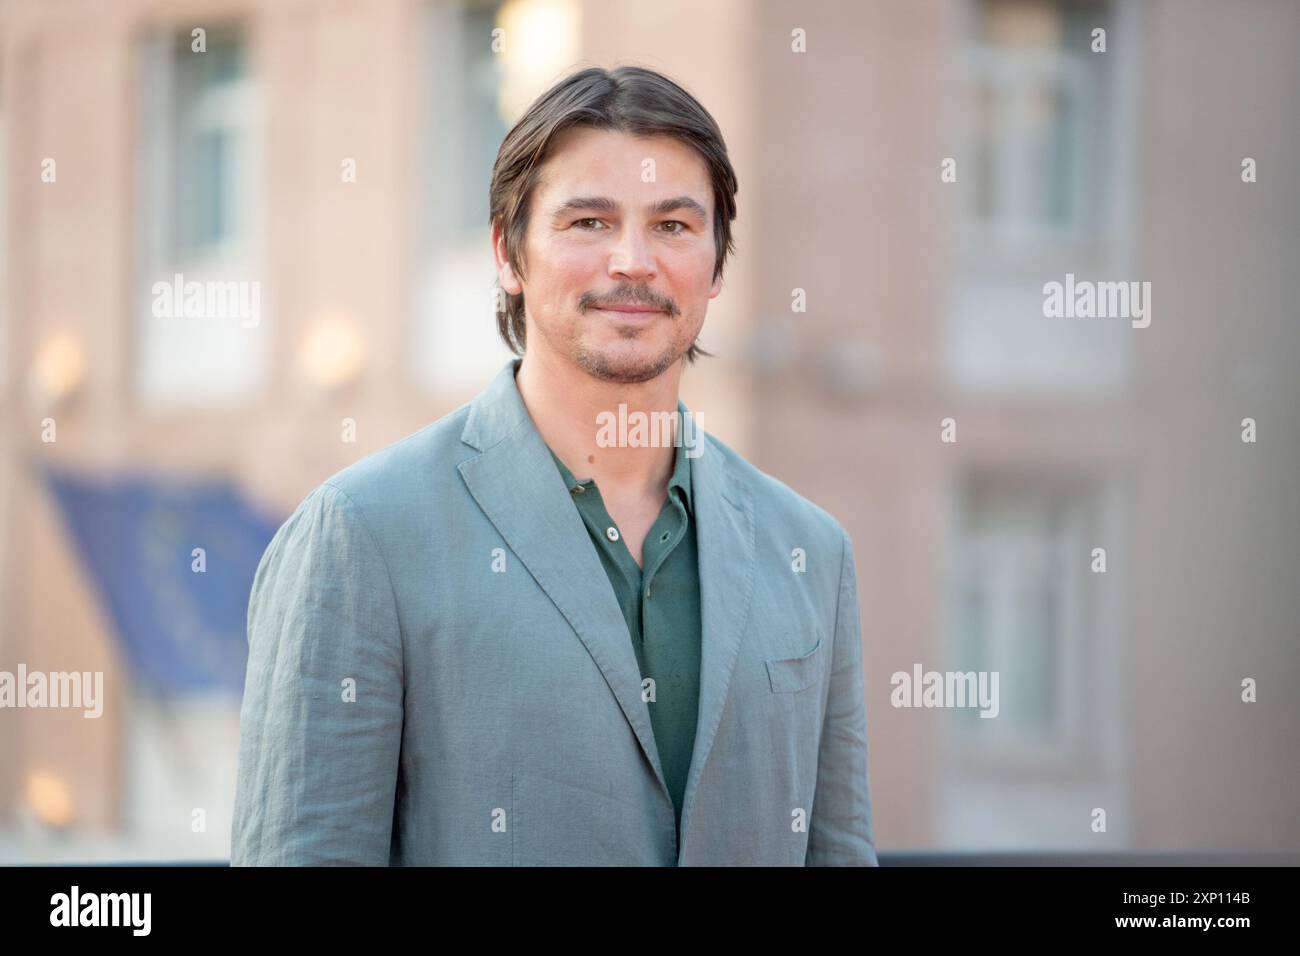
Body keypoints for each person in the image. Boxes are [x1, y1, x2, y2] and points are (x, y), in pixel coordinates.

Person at [231, 65, 877, 866]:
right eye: (589, 222)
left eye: (674, 226)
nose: (634, 261)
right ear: (508, 253)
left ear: (715, 266)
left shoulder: (811, 550)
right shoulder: (360, 536)